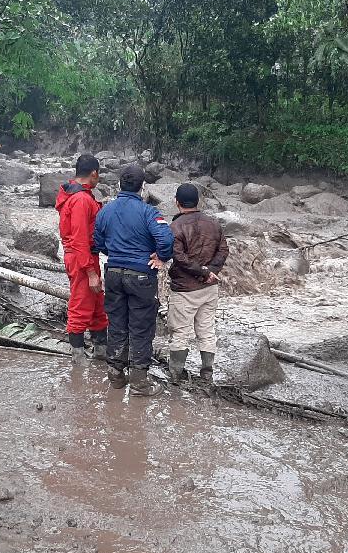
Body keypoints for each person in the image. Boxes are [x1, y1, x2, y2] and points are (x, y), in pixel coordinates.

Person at [92, 164, 174, 396]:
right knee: (141, 327)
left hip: (114, 273)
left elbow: (97, 242)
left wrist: (117, 254)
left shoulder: (105, 211)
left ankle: (116, 376)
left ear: (119, 184)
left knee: (117, 324)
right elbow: (165, 240)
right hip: (141, 276)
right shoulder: (149, 212)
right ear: (143, 187)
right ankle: (139, 382)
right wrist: (161, 257)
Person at [166, 183, 229, 381]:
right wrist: (211, 272)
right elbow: (223, 250)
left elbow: (179, 257)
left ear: (177, 202)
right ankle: (207, 373)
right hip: (210, 287)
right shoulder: (214, 223)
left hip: (185, 289)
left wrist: (202, 272)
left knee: (180, 332)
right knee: (207, 330)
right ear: (199, 202)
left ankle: (175, 374)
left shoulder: (175, 227)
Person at [56, 154, 108, 365]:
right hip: (82, 258)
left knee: (97, 304)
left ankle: (101, 352)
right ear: (94, 173)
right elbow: (79, 238)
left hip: (84, 256)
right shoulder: (81, 200)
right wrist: (91, 271)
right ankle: (78, 359)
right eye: (99, 175)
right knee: (81, 305)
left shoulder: (77, 195)